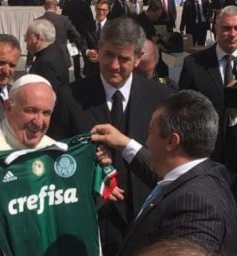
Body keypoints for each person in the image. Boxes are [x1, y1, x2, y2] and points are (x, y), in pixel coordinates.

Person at [47, 17, 172, 256]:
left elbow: (169, 162)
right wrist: (87, 168)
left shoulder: (160, 99)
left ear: (138, 58)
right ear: (98, 51)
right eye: (108, 55)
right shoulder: (69, 97)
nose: (114, 65)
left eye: (123, 59)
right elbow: (55, 156)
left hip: (144, 222)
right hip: (88, 219)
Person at [0, 74, 119, 256]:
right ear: (8, 107)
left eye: (46, 113)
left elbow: (75, 208)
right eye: (30, 110)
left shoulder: (56, 152)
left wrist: (97, 180)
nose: (39, 122)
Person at [91, 90, 237, 256]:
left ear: (171, 141)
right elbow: (167, 179)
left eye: (150, 131)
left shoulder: (197, 206)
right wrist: (125, 144)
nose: (147, 141)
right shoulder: (204, 175)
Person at [178, 6, 237, 192]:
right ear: (215, 29)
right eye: (226, 28)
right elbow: (183, 111)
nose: (232, 34)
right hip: (209, 159)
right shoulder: (194, 64)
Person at [26, 0, 81, 82]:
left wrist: (29, 62)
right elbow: (76, 36)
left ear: (44, 6)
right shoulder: (64, 20)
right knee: (63, 87)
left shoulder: (38, 21)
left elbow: (32, 42)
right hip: (62, 60)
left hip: (43, 61)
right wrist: (74, 50)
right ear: (56, 6)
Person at [25, 19, 69, 92]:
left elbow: (46, 95)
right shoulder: (55, 51)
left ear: (37, 38)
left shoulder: (45, 63)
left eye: (27, 36)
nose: (25, 40)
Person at [62, 0, 94, 80]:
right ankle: (87, 73)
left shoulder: (67, 5)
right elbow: (90, 19)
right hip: (84, 34)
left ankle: (77, 75)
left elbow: (64, 20)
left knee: (75, 56)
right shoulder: (85, 5)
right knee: (86, 54)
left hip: (72, 35)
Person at [80, 0, 110, 78]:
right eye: (99, 9)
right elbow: (83, 44)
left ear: (108, 11)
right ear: (95, 9)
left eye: (104, 10)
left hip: (106, 67)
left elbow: (115, 46)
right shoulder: (87, 26)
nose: (101, 12)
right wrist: (88, 52)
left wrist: (101, 56)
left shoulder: (112, 27)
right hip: (90, 68)